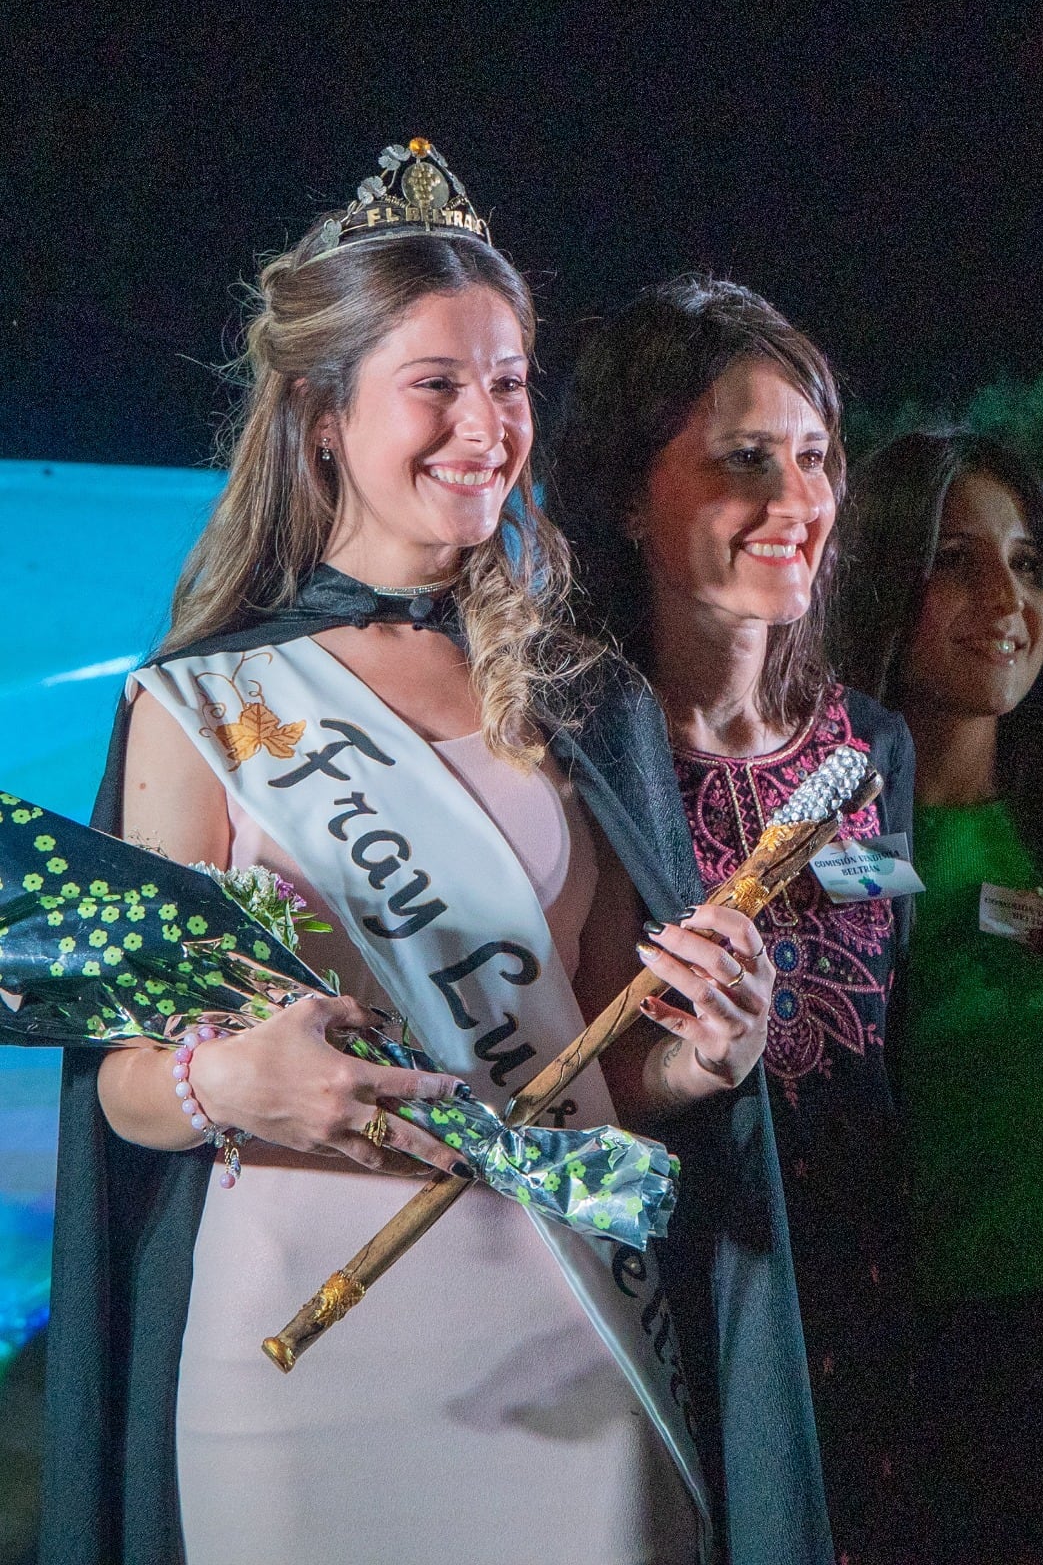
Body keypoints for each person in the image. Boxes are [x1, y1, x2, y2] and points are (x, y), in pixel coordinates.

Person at [36, 143, 825, 1565]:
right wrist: (232, 1078)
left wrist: (703, 1057)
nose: (487, 425)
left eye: (511, 380)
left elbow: (602, 1062)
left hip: (567, 1339)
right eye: (438, 384)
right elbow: (129, 1093)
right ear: (321, 414)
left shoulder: (581, 701)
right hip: (292, 1350)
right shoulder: (201, 705)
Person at [553, 276, 918, 1564]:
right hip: (681, 1316)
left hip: (874, 1317)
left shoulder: (875, 746)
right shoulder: (566, 759)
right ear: (627, 499)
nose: (797, 502)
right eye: (744, 459)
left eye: (814, 457)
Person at [832, 429, 1043, 1563]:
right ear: (876, 579)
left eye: (1026, 563)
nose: (1004, 598)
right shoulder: (805, 848)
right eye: (954, 559)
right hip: (867, 1374)